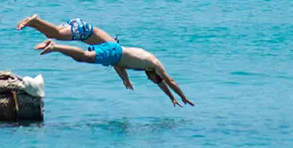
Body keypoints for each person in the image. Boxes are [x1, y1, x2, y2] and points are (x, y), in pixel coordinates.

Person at [34, 39, 195, 107]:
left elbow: (120, 63)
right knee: (83, 57)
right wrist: (183, 96)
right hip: (114, 53)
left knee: (82, 57)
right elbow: (169, 81)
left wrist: (171, 98)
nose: (151, 80)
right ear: (156, 75)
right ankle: (55, 46)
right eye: (153, 80)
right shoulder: (155, 64)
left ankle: (55, 46)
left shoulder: (147, 64)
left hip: (114, 50)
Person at [16, 14, 116, 46]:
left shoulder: (110, 41)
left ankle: (32, 23)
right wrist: (125, 79)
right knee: (57, 33)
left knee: (51, 34)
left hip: (80, 25)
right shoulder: (115, 48)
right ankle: (37, 19)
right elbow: (118, 65)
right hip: (83, 31)